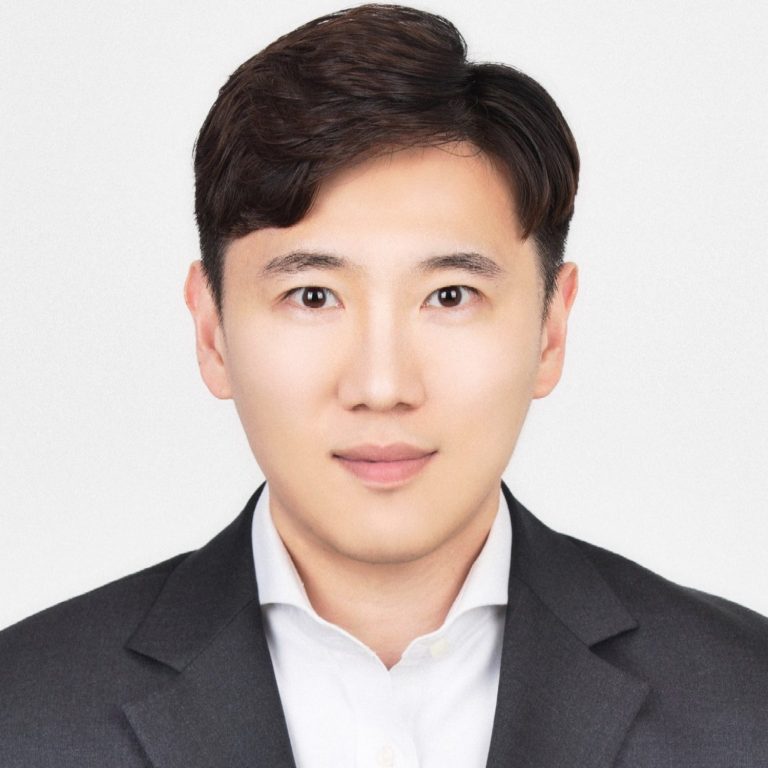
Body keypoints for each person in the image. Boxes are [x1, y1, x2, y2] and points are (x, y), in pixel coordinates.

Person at [1, 3, 766, 766]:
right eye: (312, 296)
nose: (382, 385)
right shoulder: (23, 712)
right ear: (212, 332)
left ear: (550, 330)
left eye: (450, 296)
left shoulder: (746, 701)